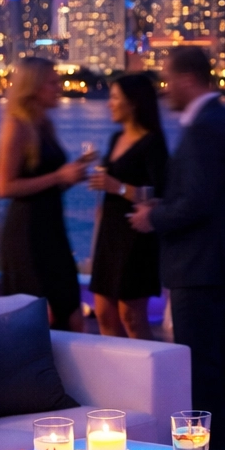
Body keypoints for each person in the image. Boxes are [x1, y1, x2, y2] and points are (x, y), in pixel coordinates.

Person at [128, 47, 225, 450]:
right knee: (217, 362)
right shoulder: (220, 122)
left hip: (201, 265)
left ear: (186, 78)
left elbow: (198, 201)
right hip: (215, 262)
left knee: (202, 368)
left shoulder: (206, 129)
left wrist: (153, 217)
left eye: (167, 79)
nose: (165, 89)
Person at [0, 57, 91, 331]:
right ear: (34, 87)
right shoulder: (17, 126)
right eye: (52, 83)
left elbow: (46, 182)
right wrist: (59, 176)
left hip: (53, 231)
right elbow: (4, 187)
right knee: (42, 319)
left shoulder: (44, 126)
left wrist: (71, 176)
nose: (59, 88)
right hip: (28, 235)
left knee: (72, 313)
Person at [89, 72, 169, 339]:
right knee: (103, 311)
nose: (109, 104)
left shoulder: (152, 143)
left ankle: (148, 376)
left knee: (131, 316)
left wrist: (118, 187)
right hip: (110, 233)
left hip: (136, 236)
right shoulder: (115, 139)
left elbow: (161, 194)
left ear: (133, 102)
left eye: (114, 98)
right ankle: (116, 375)